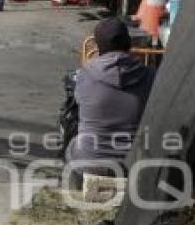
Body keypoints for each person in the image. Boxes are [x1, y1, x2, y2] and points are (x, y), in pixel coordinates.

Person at [65, 18, 157, 188]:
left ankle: (75, 194)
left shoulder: (85, 74)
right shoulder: (150, 76)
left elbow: (78, 102)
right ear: (129, 43)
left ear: (98, 47)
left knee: (73, 146)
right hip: (132, 162)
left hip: (91, 161)